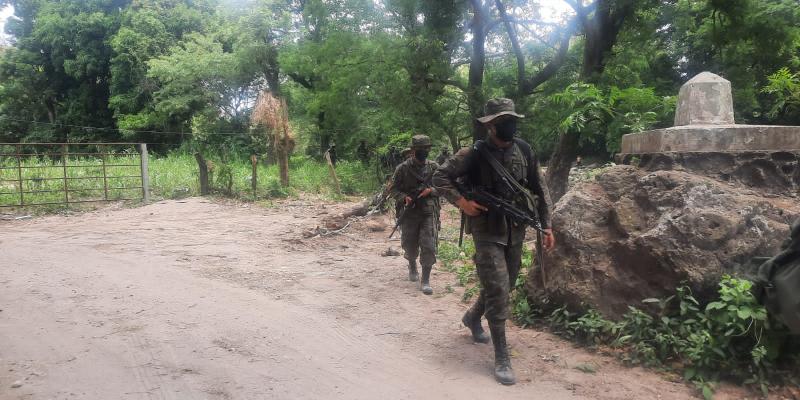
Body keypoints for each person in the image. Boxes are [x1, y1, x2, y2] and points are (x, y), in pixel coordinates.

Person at [432, 98, 555, 385]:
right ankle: (502, 356)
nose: (509, 125)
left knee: (505, 283)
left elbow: (540, 189)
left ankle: (473, 317)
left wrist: (547, 226)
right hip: (486, 230)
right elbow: (439, 176)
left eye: (511, 120)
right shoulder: (473, 154)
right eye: (502, 122)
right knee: (499, 289)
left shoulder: (525, 150)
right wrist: (462, 202)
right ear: (490, 126)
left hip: (515, 229)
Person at [390, 135, 440, 295]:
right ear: (413, 150)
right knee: (409, 244)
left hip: (427, 212)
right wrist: (404, 197)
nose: (423, 151)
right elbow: (392, 189)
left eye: (426, 148)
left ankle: (425, 280)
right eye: (420, 149)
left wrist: (430, 191)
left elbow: (445, 186)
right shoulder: (402, 169)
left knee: (428, 245)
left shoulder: (434, 168)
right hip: (409, 212)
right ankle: (412, 265)